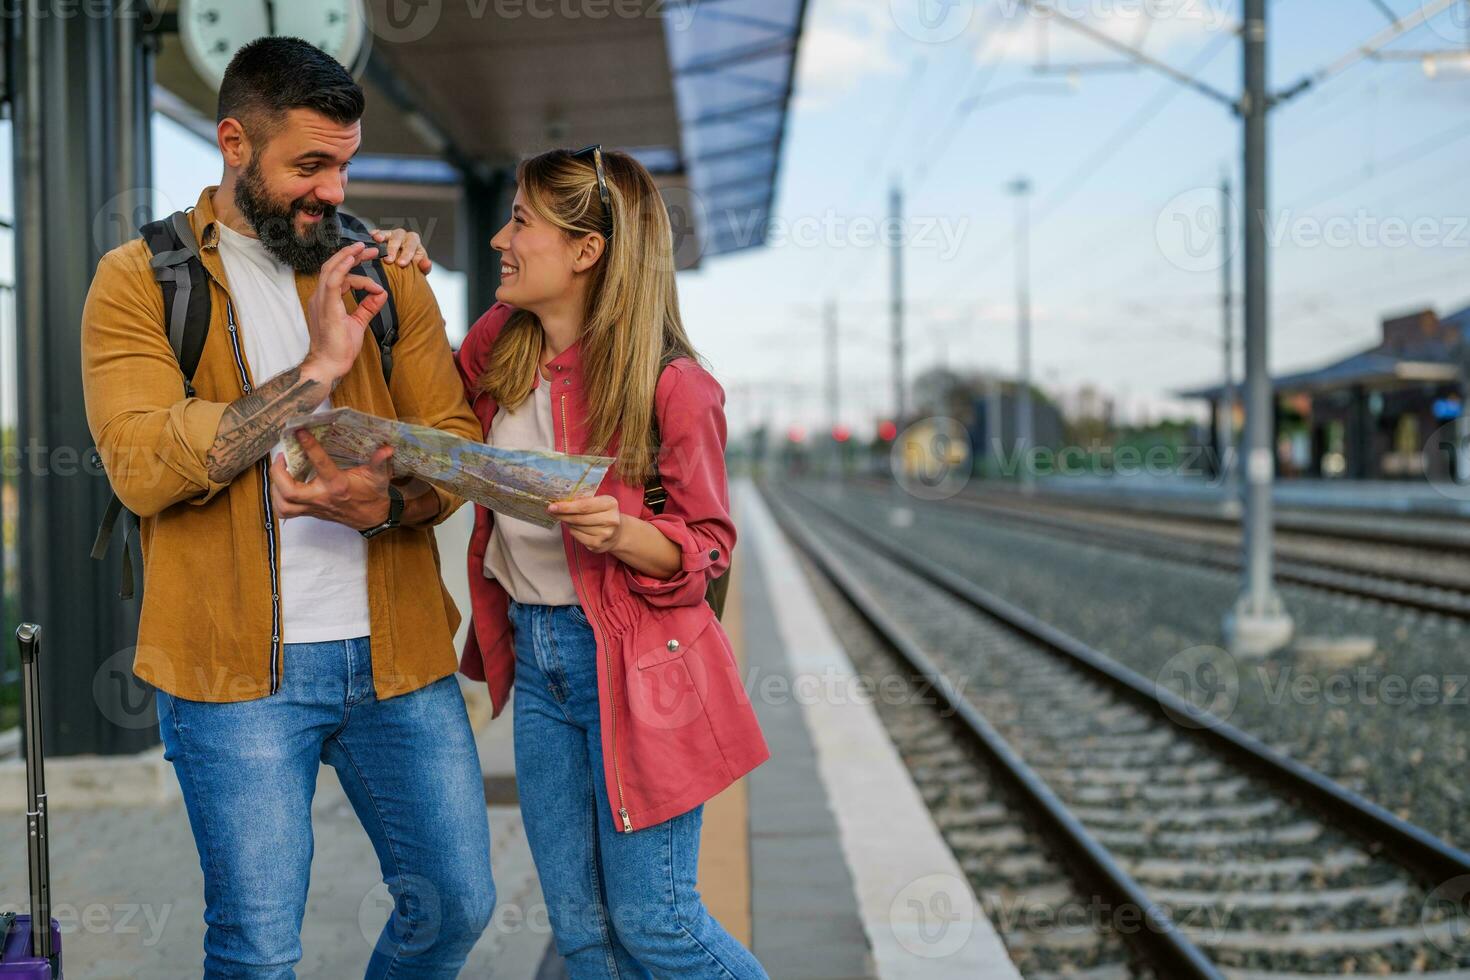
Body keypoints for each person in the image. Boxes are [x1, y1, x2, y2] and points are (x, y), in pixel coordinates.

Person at [80, 37, 493, 978]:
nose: (333, 192)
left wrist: (383, 503)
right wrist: (314, 375)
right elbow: (143, 465)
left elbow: (455, 450)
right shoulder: (140, 282)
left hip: (397, 661)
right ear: (233, 144)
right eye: (309, 165)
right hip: (234, 680)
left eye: (344, 164)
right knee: (259, 950)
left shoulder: (387, 279)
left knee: (460, 904)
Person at [456, 146, 770, 978]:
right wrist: (400, 285)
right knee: (585, 935)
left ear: (587, 251)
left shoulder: (675, 386)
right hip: (541, 659)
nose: (499, 239)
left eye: (521, 220)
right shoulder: (499, 346)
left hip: (636, 667)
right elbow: (424, 404)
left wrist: (622, 531)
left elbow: (708, 549)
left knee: (659, 926)